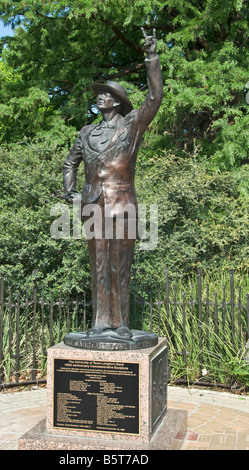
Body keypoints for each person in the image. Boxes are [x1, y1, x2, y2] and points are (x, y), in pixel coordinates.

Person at [62, 28, 163, 337]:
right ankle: (99, 322)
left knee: (121, 264)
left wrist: (151, 57)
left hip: (122, 203)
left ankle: (120, 325)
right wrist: (70, 192)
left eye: (107, 93)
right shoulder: (85, 132)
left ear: (118, 102)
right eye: (99, 93)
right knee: (99, 265)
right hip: (92, 205)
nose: (100, 96)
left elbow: (155, 97)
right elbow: (70, 164)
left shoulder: (132, 125)